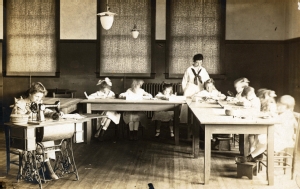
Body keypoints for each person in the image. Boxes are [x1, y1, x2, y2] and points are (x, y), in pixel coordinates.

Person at [10, 82, 64, 180]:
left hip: (33, 132)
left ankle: (44, 168)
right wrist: (27, 113)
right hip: (21, 134)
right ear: (30, 93)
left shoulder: (37, 103)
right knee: (40, 142)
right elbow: (16, 120)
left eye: (40, 97)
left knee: (47, 138)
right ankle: (47, 169)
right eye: (37, 96)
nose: (39, 99)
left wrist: (54, 114)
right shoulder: (20, 103)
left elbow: (45, 111)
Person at [236, 95, 297, 163]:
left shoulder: (288, 116)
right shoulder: (282, 113)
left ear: (288, 107)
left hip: (284, 139)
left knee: (267, 140)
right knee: (259, 135)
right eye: (278, 104)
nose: (278, 106)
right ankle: (255, 155)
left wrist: (273, 117)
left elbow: (281, 130)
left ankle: (250, 157)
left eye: (281, 106)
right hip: (277, 135)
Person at [180, 53, 210, 124]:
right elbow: (184, 81)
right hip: (190, 89)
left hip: (200, 89)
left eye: (201, 62)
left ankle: (199, 122)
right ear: (194, 61)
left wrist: (206, 89)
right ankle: (185, 122)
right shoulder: (189, 69)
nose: (199, 64)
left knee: (199, 105)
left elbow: (208, 80)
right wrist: (185, 91)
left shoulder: (203, 70)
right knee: (186, 105)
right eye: (197, 62)